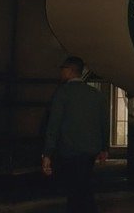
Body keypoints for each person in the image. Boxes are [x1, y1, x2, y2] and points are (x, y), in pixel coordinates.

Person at [42, 56, 109, 213]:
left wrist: (48, 153)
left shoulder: (62, 93)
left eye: (63, 69)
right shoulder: (96, 94)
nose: (61, 72)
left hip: (69, 149)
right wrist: (104, 148)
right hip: (90, 150)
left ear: (70, 71)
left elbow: (54, 125)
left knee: (74, 190)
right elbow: (104, 123)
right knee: (84, 186)